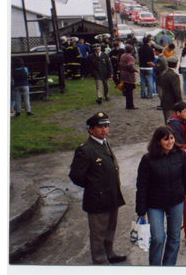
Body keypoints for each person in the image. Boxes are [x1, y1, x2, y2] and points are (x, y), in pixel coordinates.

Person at [69, 112, 126, 265]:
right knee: (98, 233)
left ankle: (110, 253)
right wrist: (93, 186)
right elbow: (75, 175)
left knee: (110, 229)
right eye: (100, 127)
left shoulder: (104, 143)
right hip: (97, 198)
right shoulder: (85, 149)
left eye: (106, 126)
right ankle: (99, 260)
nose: (104, 130)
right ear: (91, 129)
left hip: (112, 195)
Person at [135, 126, 186, 265]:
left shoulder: (180, 154)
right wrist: (141, 210)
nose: (170, 142)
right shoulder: (148, 159)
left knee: (174, 237)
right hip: (155, 204)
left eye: (172, 138)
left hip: (176, 201)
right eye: (166, 139)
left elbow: (184, 175)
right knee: (158, 238)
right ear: (158, 141)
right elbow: (142, 185)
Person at [160, 56, 183, 124]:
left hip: (164, 100)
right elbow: (176, 91)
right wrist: (180, 102)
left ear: (168, 64)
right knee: (172, 121)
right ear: (176, 65)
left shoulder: (164, 73)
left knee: (166, 120)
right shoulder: (174, 75)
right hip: (172, 102)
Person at [119, 45, 139, 110]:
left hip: (123, 75)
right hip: (129, 76)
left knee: (127, 91)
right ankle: (130, 105)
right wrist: (136, 70)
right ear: (132, 50)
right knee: (130, 92)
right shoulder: (130, 57)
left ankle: (128, 104)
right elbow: (130, 66)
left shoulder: (123, 56)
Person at [153, 45, 167, 110]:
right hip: (164, 76)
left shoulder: (160, 59)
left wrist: (153, 65)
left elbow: (157, 69)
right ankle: (162, 104)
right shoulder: (164, 57)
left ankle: (163, 104)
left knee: (160, 92)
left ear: (157, 51)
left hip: (160, 77)